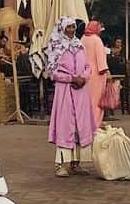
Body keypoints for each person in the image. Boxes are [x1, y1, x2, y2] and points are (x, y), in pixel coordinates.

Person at [47, 19, 96, 176]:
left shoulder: (79, 45)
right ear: (62, 28)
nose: (71, 29)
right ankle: (61, 164)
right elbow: (52, 71)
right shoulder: (56, 47)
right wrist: (71, 79)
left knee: (79, 126)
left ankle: (77, 163)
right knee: (65, 125)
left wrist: (83, 77)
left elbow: (88, 66)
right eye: (68, 26)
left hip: (81, 93)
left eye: (73, 26)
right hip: (65, 92)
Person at [82, 20, 111, 127]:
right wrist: (107, 72)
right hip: (97, 74)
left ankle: (86, 122)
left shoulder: (82, 39)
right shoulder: (96, 40)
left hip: (85, 73)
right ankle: (95, 123)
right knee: (97, 100)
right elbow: (101, 60)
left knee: (87, 100)